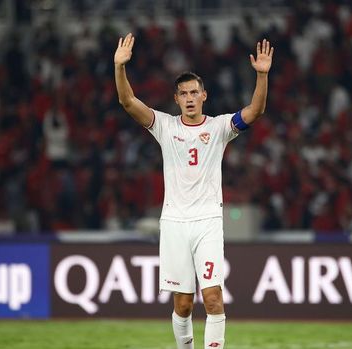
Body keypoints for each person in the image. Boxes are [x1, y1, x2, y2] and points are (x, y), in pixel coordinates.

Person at [114, 32, 273, 349]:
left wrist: (262, 75)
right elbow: (127, 102)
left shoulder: (218, 128)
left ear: (204, 96)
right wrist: (120, 68)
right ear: (176, 99)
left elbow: (255, 111)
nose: (189, 98)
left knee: (213, 298)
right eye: (183, 93)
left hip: (207, 223)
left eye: (194, 92)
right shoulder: (165, 126)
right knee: (183, 304)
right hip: (174, 223)